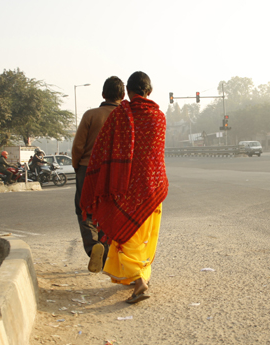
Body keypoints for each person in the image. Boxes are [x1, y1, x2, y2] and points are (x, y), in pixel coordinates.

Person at [80, 71, 168, 304]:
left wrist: (96, 179)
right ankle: (139, 275)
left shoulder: (120, 116)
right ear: (149, 92)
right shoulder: (159, 117)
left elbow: (101, 151)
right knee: (144, 236)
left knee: (124, 234)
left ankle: (138, 279)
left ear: (128, 92)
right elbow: (156, 156)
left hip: (124, 189)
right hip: (151, 187)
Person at [72, 76, 125, 273]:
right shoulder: (126, 117)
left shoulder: (90, 115)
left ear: (103, 94)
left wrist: (77, 166)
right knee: (109, 210)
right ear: (122, 95)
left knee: (84, 209)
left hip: (88, 169)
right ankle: (107, 252)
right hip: (116, 171)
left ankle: (93, 246)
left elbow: (78, 146)